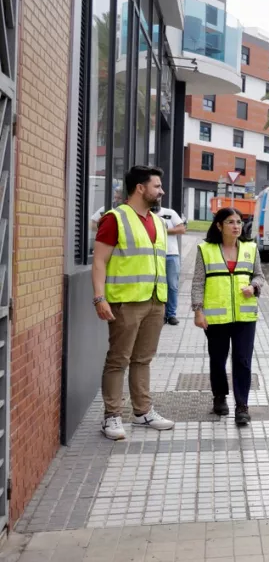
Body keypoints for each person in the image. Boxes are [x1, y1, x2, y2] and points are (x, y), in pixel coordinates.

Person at [92, 166, 176, 440]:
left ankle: (142, 411)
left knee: (143, 359)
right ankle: (111, 417)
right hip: (125, 302)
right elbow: (100, 261)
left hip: (155, 301)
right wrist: (99, 297)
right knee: (118, 360)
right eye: (157, 186)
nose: (161, 191)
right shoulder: (114, 218)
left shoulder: (159, 222)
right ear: (140, 188)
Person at [193, 208, 264, 426]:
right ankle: (219, 396)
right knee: (218, 359)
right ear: (219, 226)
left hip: (244, 316)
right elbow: (198, 281)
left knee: (243, 361)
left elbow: (259, 276)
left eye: (239, 222)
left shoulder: (251, 248)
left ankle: (242, 406)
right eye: (230, 222)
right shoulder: (206, 250)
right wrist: (198, 310)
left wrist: (254, 287)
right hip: (216, 318)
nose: (236, 226)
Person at [156, 204, 187, 325]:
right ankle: (162, 314)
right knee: (158, 286)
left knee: (172, 285)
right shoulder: (147, 214)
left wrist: (162, 231)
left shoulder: (170, 213)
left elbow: (181, 229)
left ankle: (172, 314)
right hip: (155, 255)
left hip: (171, 254)